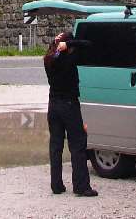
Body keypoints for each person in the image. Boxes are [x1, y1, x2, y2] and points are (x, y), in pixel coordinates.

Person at [43, 31, 98, 197]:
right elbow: (89, 44)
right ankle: (81, 186)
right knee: (77, 144)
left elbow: (56, 52)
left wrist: (57, 43)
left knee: (56, 146)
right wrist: (70, 44)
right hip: (69, 105)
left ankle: (56, 185)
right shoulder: (69, 59)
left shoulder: (49, 59)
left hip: (53, 105)